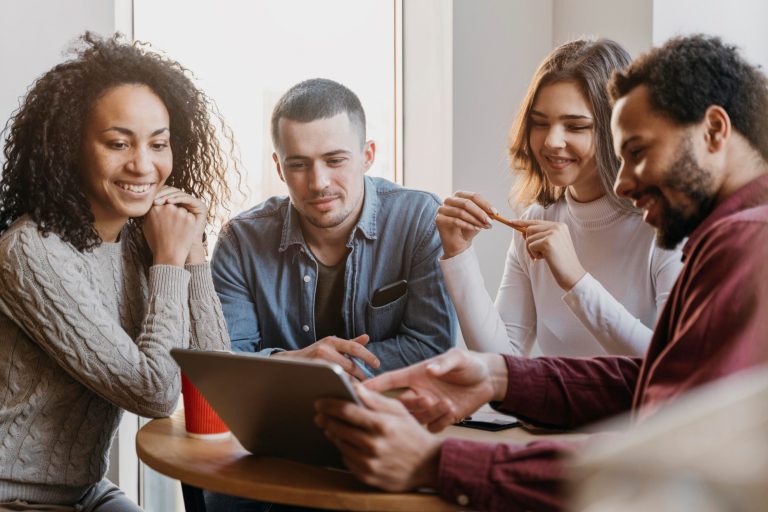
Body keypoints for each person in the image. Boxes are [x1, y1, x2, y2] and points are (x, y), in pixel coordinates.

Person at [314, 35, 768, 511]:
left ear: (715, 130)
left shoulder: (741, 241)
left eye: (636, 151)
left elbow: (668, 452)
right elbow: (654, 380)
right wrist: (500, 376)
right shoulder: (720, 235)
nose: (624, 180)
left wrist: (439, 461)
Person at [0, 33, 235, 511]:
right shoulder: (30, 251)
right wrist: (168, 261)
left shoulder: (141, 239)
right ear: (72, 147)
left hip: (85, 492)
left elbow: (217, 383)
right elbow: (152, 393)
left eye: (159, 144)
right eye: (118, 143)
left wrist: (192, 252)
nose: (143, 164)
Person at [437, 38, 682, 358]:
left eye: (575, 126)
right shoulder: (535, 222)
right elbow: (501, 361)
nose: (551, 141)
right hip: (557, 409)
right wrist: (459, 255)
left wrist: (576, 279)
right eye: (540, 123)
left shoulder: (665, 226)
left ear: (617, 130)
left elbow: (670, 366)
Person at [211, 78, 456, 379]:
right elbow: (228, 360)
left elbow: (433, 348)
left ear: (368, 156)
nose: (318, 183)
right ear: (279, 167)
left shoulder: (419, 218)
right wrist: (301, 362)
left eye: (335, 160)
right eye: (299, 165)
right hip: (276, 419)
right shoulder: (240, 241)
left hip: (396, 415)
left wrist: (322, 365)